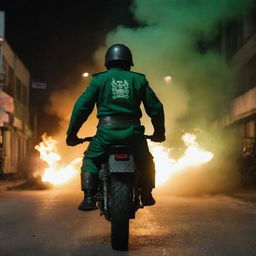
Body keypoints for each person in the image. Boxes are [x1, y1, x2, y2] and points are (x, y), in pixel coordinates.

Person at [66, 44, 165, 211]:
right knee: (146, 160)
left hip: (106, 133)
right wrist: (159, 133)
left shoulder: (99, 80)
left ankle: (89, 197)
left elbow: (81, 108)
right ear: (129, 62)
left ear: (108, 62)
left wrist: (72, 135)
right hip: (134, 134)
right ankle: (147, 193)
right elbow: (155, 108)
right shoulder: (139, 80)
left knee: (91, 159)